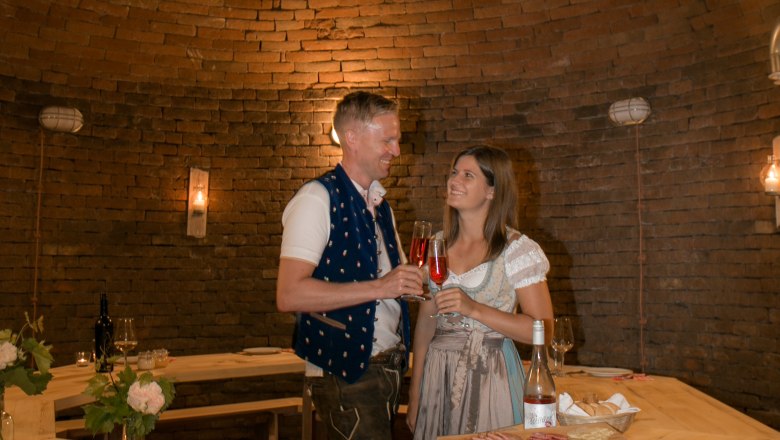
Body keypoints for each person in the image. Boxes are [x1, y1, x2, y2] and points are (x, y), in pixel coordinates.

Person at [276, 91, 425, 439]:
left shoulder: (380, 206)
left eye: (397, 140)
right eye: (387, 139)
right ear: (353, 138)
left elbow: (399, 285)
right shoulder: (316, 198)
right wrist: (383, 286)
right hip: (346, 372)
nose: (396, 150)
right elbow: (289, 294)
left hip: (384, 370)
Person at [407, 145, 554, 438]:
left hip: (491, 375)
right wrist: (415, 395)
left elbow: (543, 331)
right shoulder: (436, 245)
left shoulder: (517, 250)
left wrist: (474, 309)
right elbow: (425, 327)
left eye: (468, 175)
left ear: (491, 191)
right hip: (438, 375)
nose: (454, 180)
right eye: (453, 172)